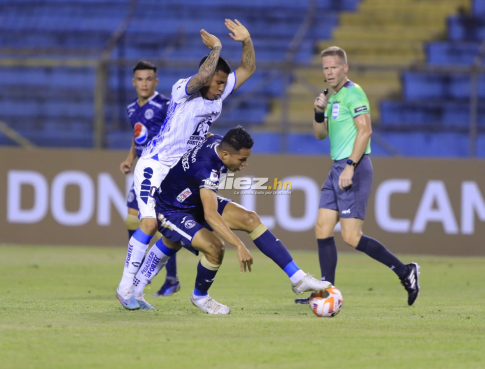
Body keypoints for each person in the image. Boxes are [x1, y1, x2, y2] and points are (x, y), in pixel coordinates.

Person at [116, 19, 257, 310]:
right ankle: (125, 286)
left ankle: (139, 288)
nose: (220, 88)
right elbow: (203, 75)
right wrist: (216, 48)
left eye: (222, 84)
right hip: (155, 165)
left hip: (178, 174)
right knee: (150, 222)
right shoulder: (184, 90)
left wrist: (247, 41)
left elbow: (248, 69)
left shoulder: (218, 94)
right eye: (217, 83)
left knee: (174, 236)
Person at [132, 127, 331, 313]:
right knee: (214, 247)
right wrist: (238, 245)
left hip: (193, 199)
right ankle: (200, 297)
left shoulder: (218, 142)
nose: (244, 164)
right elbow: (210, 214)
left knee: (250, 219)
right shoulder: (207, 169)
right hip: (172, 209)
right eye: (242, 159)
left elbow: (206, 135)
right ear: (225, 155)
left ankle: (298, 278)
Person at [295, 46, 420, 306]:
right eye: (325, 68)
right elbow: (320, 134)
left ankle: (405, 272)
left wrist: (351, 166)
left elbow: (366, 131)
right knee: (322, 228)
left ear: (345, 68)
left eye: (333, 67)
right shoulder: (330, 95)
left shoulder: (354, 93)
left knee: (351, 236)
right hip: (336, 168)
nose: (329, 72)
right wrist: (319, 112)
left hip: (355, 167)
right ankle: (326, 291)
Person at [119, 61, 180, 297]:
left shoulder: (165, 105)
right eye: (140, 79)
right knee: (131, 220)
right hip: (142, 170)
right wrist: (129, 158)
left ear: (155, 81)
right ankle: (137, 272)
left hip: (161, 171)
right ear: (134, 82)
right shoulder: (132, 108)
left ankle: (170, 279)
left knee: (159, 225)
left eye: (148, 79)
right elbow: (137, 136)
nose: (144, 83)